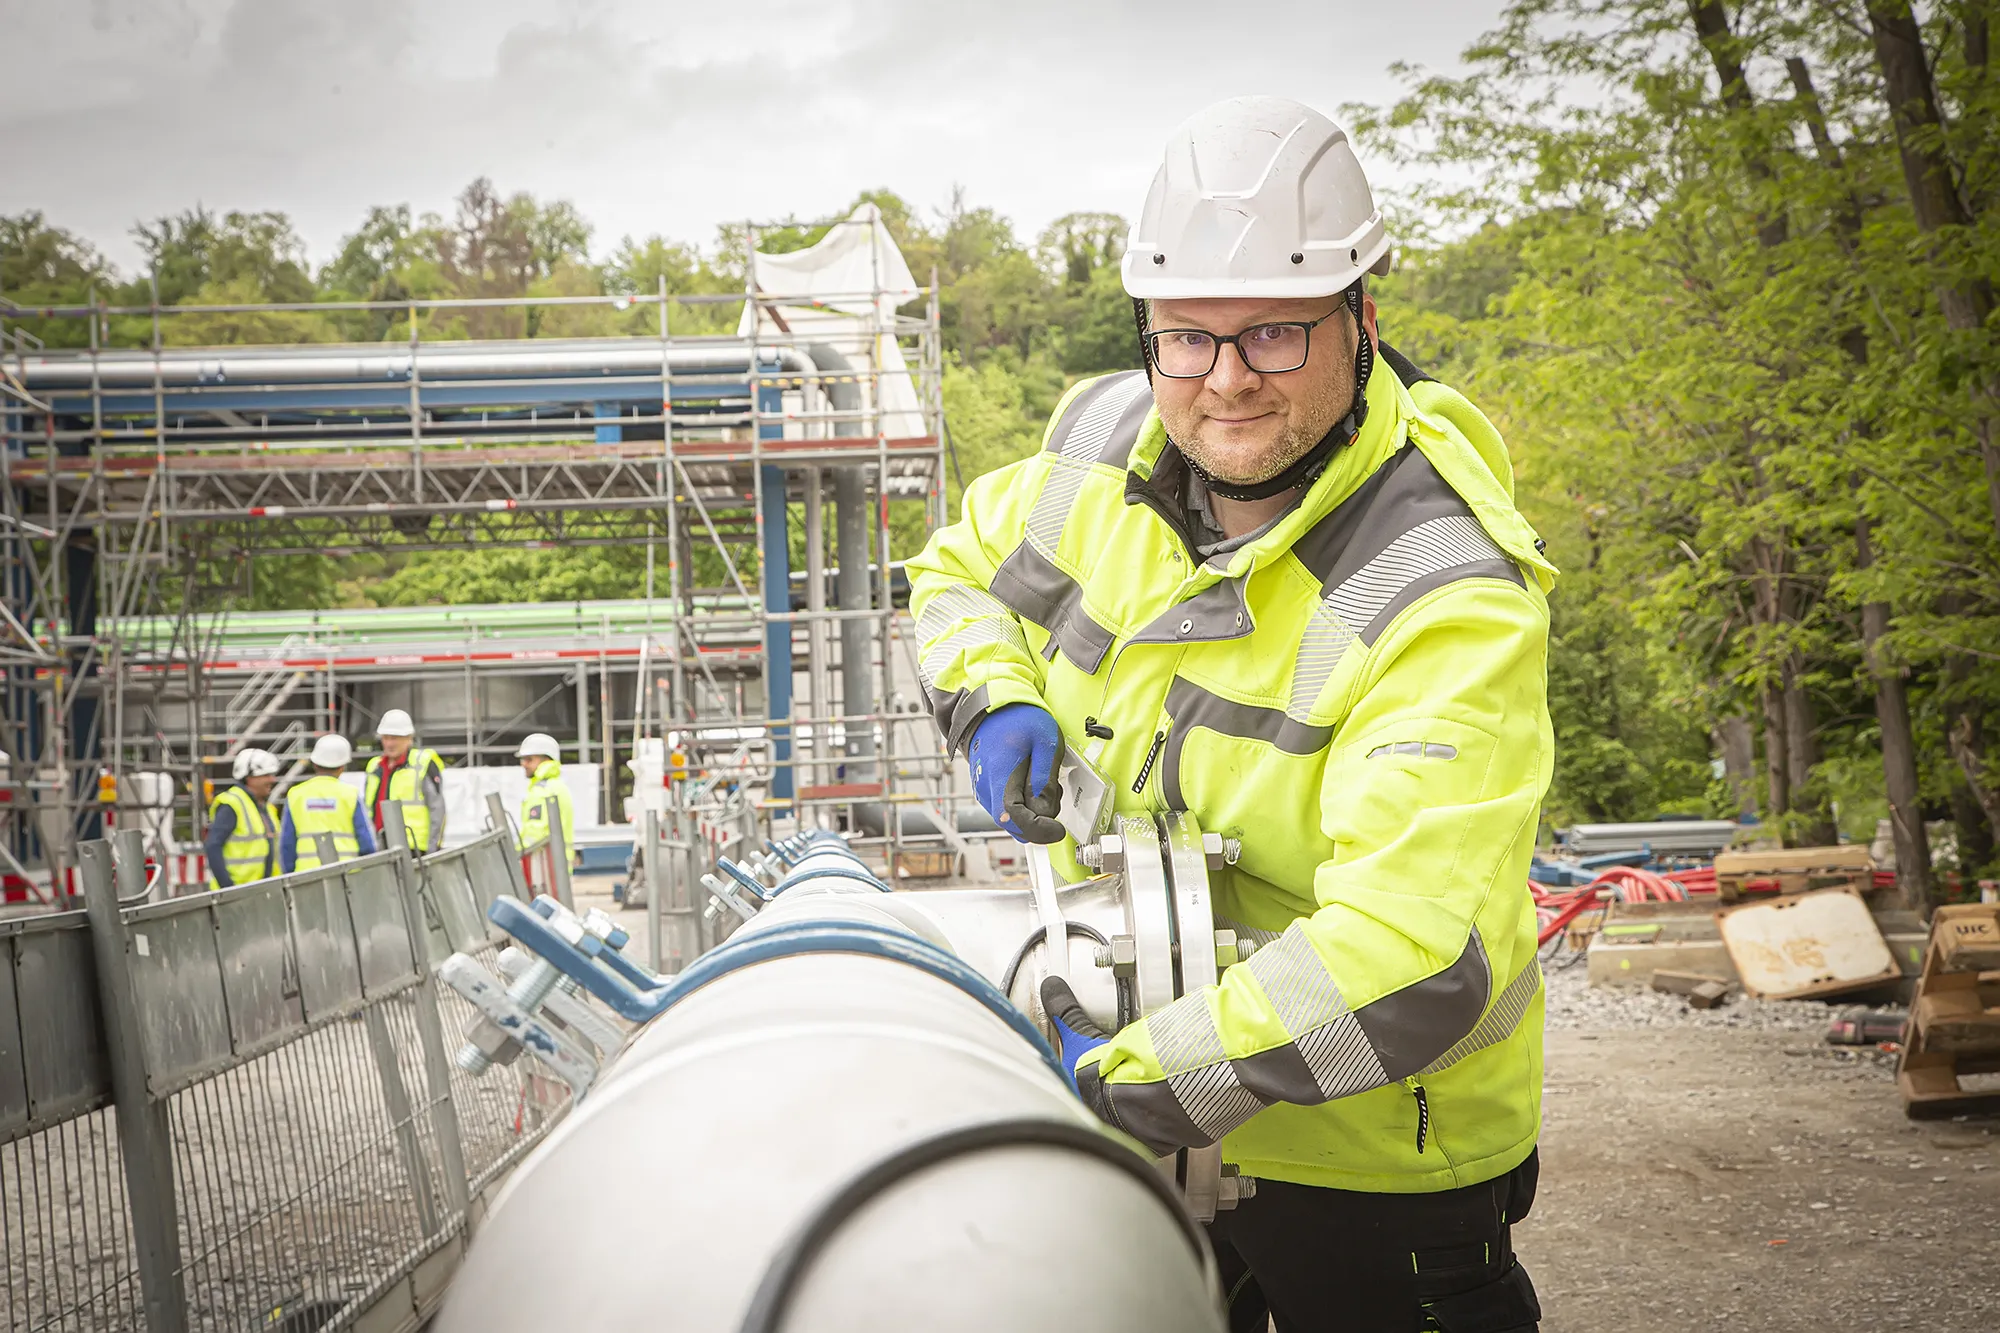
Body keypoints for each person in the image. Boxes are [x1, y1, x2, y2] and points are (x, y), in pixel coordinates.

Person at [907, 97, 1553, 1333]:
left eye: (1270, 332)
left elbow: (1419, 960)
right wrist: (990, 697)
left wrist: (1130, 1079)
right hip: (1150, 1116)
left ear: (1360, 320)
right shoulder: (1105, 441)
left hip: (1360, 1162)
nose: (1223, 382)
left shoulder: (1442, 593)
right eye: (1184, 340)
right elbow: (953, 571)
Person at [279, 733, 376, 873]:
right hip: (347, 874)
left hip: (306, 875)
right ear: (343, 766)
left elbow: (287, 844)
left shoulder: (296, 794)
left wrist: (289, 874)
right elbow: (366, 842)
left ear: (314, 763)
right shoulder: (350, 794)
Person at [364, 708, 447, 853]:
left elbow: (437, 810)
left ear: (409, 738)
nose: (389, 743)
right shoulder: (374, 766)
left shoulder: (423, 762)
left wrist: (432, 850)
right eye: (386, 738)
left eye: (394, 738)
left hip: (415, 848)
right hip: (381, 846)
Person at [204, 748, 282, 889]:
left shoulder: (266, 808)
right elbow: (213, 846)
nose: (272, 779)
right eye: (266, 775)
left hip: (262, 892)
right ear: (249, 778)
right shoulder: (232, 804)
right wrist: (228, 888)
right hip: (238, 894)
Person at [516, 733, 578, 867]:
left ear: (546, 760)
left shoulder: (543, 790)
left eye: (529, 759)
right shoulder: (557, 786)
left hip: (544, 865)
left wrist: (516, 853)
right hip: (557, 865)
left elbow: (536, 832)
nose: (523, 764)